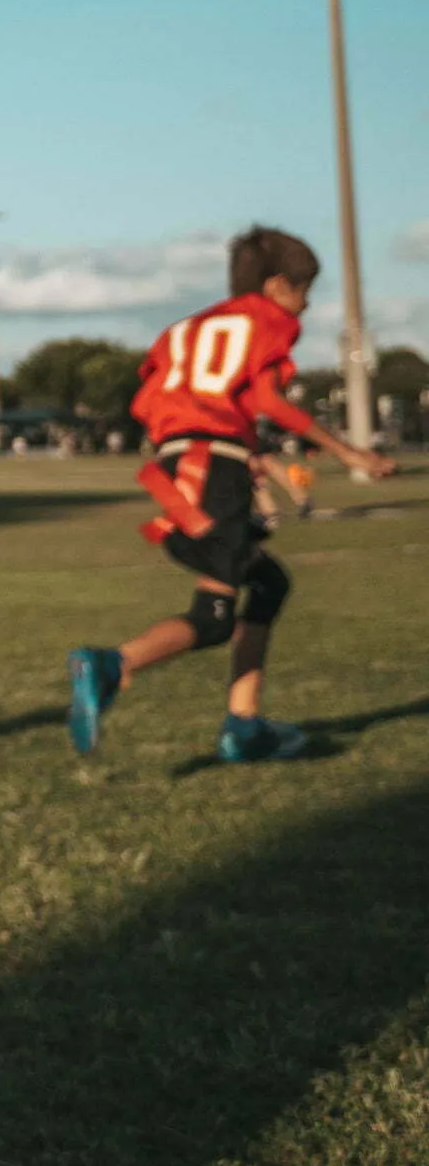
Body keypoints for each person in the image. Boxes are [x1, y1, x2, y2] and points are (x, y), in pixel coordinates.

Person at [68, 225, 395, 763]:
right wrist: (348, 453)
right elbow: (266, 396)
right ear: (273, 287)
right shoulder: (266, 320)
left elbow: (161, 405)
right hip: (212, 465)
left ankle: (244, 726)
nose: (306, 304)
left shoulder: (185, 329)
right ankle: (112, 664)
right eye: (301, 290)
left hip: (182, 462)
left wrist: (241, 453)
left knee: (267, 583)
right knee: (215, 618)